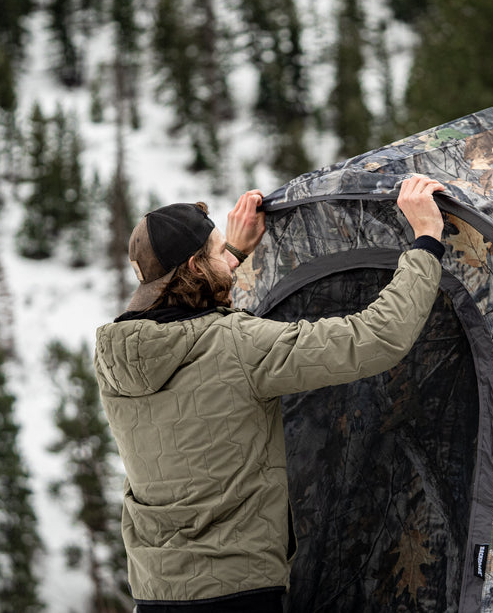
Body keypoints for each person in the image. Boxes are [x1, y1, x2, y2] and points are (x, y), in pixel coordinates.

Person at [94, 176, 447, 612]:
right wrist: (427, 242)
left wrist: (232, 256)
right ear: (194, 268)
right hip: (238, 591)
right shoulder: (236, 344)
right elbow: (377, 337)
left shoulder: (115, 357)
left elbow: (183, 318)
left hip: (155, 592)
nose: (229, 255)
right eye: (218, 251)